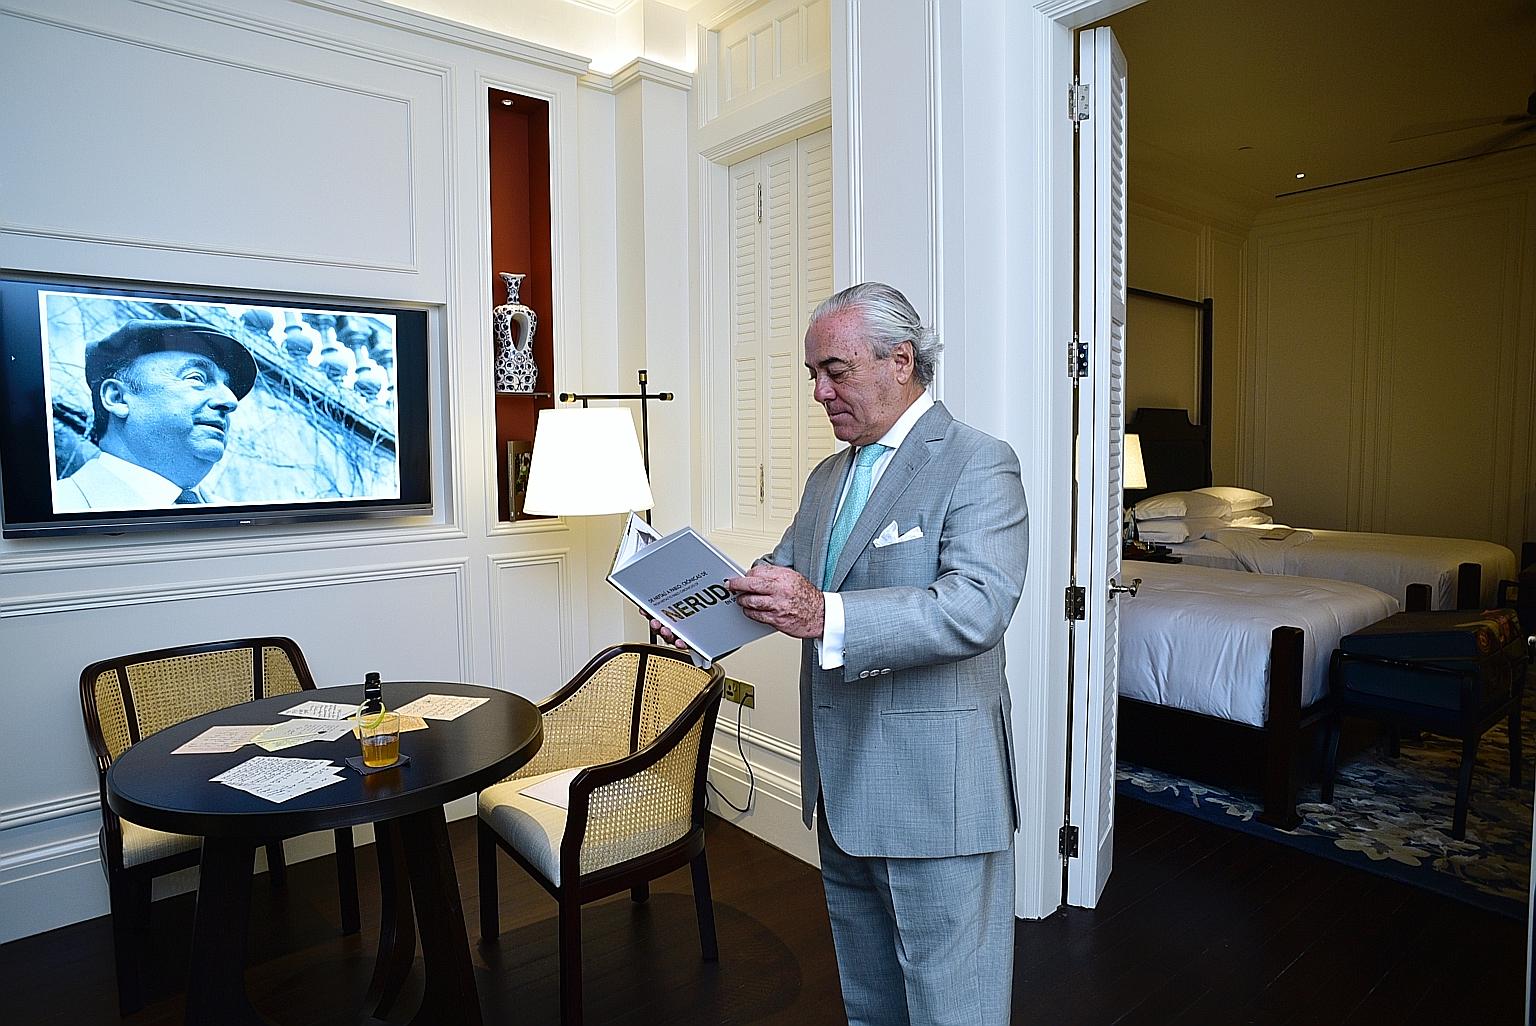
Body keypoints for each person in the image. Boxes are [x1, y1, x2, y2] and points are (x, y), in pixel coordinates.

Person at [657, 282, 1029, 1025]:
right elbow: (781, 581)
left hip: (937, 794)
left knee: (953, 1004)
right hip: (841, 785)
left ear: (900, 360)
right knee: (870, 996)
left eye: (836, 371)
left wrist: (825, 611)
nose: (820, 393)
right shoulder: (829, 475)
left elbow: (977, 608)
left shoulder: (978, 461)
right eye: (813, 376)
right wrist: (699, 618)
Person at [55, 318, 258, 512]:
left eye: (227, 386)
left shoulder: (242, 517)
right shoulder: (59, 509)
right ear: (117, 398)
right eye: (196, 378)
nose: (230, 400)